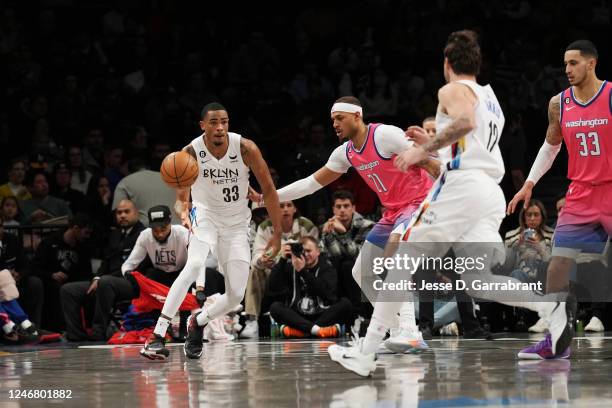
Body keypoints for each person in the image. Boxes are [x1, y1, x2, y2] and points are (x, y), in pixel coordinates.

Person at [327, 30, 572, 376]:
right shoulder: (491, 97)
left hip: (461, 186)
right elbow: (471, 138)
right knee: (478, 280)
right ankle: (551, 308)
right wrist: (435, 142)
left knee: (401, 254)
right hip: (489, 191)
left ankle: (367, 351)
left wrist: (421, 149)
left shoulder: (453, 89)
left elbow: (465, 122)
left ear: (447, 62)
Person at [250, 95, 439, 352]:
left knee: (396, 257)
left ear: (357, 116)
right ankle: (396, 330)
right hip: (392, 212)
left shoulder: (385, 135)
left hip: (419, 204)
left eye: (340, 118)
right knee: (361, 272)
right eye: (332, 120)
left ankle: (409, 330)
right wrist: (267, 197)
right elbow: (309, 184)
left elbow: (431, 160)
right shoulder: (346, 153)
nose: (335, 124)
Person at [141, 102, 282, 360]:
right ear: (202, 125)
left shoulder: (245, 148)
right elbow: (182, 199)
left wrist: (277, 233)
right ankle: (157, 335)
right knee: (194, 265)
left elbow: (270, 190)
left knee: (236, 295)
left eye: (224, 122)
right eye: (214, 123)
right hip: (205, 217)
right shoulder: (190, 152)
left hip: (238, 224)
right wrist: (183, 211)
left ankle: (199, 321)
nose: (220, 128)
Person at [508, 39, 610, 359]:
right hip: (580, 194)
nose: (567, 69)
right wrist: (529, 183)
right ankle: (555, 340)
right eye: (565, 64)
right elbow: (551, 147)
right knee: (557, 268)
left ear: (591, 63)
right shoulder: (559, 103)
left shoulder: (609, 95)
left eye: (574, 63)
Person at [59, 200, 145, 341]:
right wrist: (96, 277)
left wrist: (102, 279)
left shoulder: (143, 234)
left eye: (126, 212)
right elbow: (106, 262)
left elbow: (136, 266)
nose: (122, 215)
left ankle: (98, 331)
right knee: (68, 290)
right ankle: (75, 334)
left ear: (136, 213)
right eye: (119, 212)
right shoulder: (115, 234)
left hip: (131, 282)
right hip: (107, 281)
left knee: (106, 282)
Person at [242, 200, 318, 338]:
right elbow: (257, 258)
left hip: (301, 268)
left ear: (295, 209)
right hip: (275, 269)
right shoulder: (265, 227)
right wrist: (267, 258)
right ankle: (251, 321)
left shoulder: (306, 226)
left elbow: (316, 253)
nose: (285, 209)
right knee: (254, 270)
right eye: (281, 206)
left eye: (289, 205)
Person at [268, 236, 353, 338]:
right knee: (275, 307)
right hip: (297, 316)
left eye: (309, 251)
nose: (306, 254)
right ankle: (317, 331)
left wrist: (303, 272)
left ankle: (302, 332)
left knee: (345, 304)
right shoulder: (291, 266)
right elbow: (273, 287)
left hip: (322, 315)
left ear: (318, 251)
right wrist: (282, 260)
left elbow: (328, 294)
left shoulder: (327, 267)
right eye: (303, 251)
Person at [320, 190, 374, 320]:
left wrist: (343, 234)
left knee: (348, 265)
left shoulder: (367, 226)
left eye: (346, 206)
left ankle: (359, 315)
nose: (342, 210)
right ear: (333, 209)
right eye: (338, 207)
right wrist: (326, 235)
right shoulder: (329, 226)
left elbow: (360, 255)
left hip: (366, 271)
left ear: (353, 208)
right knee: (333, 267)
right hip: (340, 272)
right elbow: (330, 255)